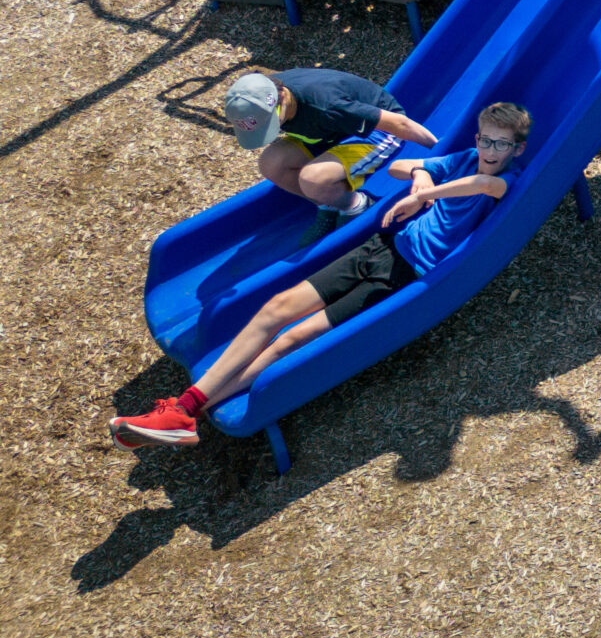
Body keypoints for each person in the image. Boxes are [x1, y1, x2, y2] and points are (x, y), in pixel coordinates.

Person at [108, 104, 531, 451]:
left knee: (291, 340)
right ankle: (183, 412)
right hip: (380, 248)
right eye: (486, 139)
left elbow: (480, 186)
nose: (491, 149)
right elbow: (404, 167)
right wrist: (422, 175)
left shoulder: (502, 178)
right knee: (275, 309)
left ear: (518, 148)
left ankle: (187, 410)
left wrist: (426, 193)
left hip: (404, 276)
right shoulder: (463, 158)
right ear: (476, 138)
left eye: (502, 143)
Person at [221, 66, 437, 219]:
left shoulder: (327, 104)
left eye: (270, 124)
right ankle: (328, 205)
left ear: (282, 100)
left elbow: (399, 123)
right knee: (271, 163)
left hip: (375, 132)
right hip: (328, 132)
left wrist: (440, 151)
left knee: (312, 179)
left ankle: (356, 207)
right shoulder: (262, 94)